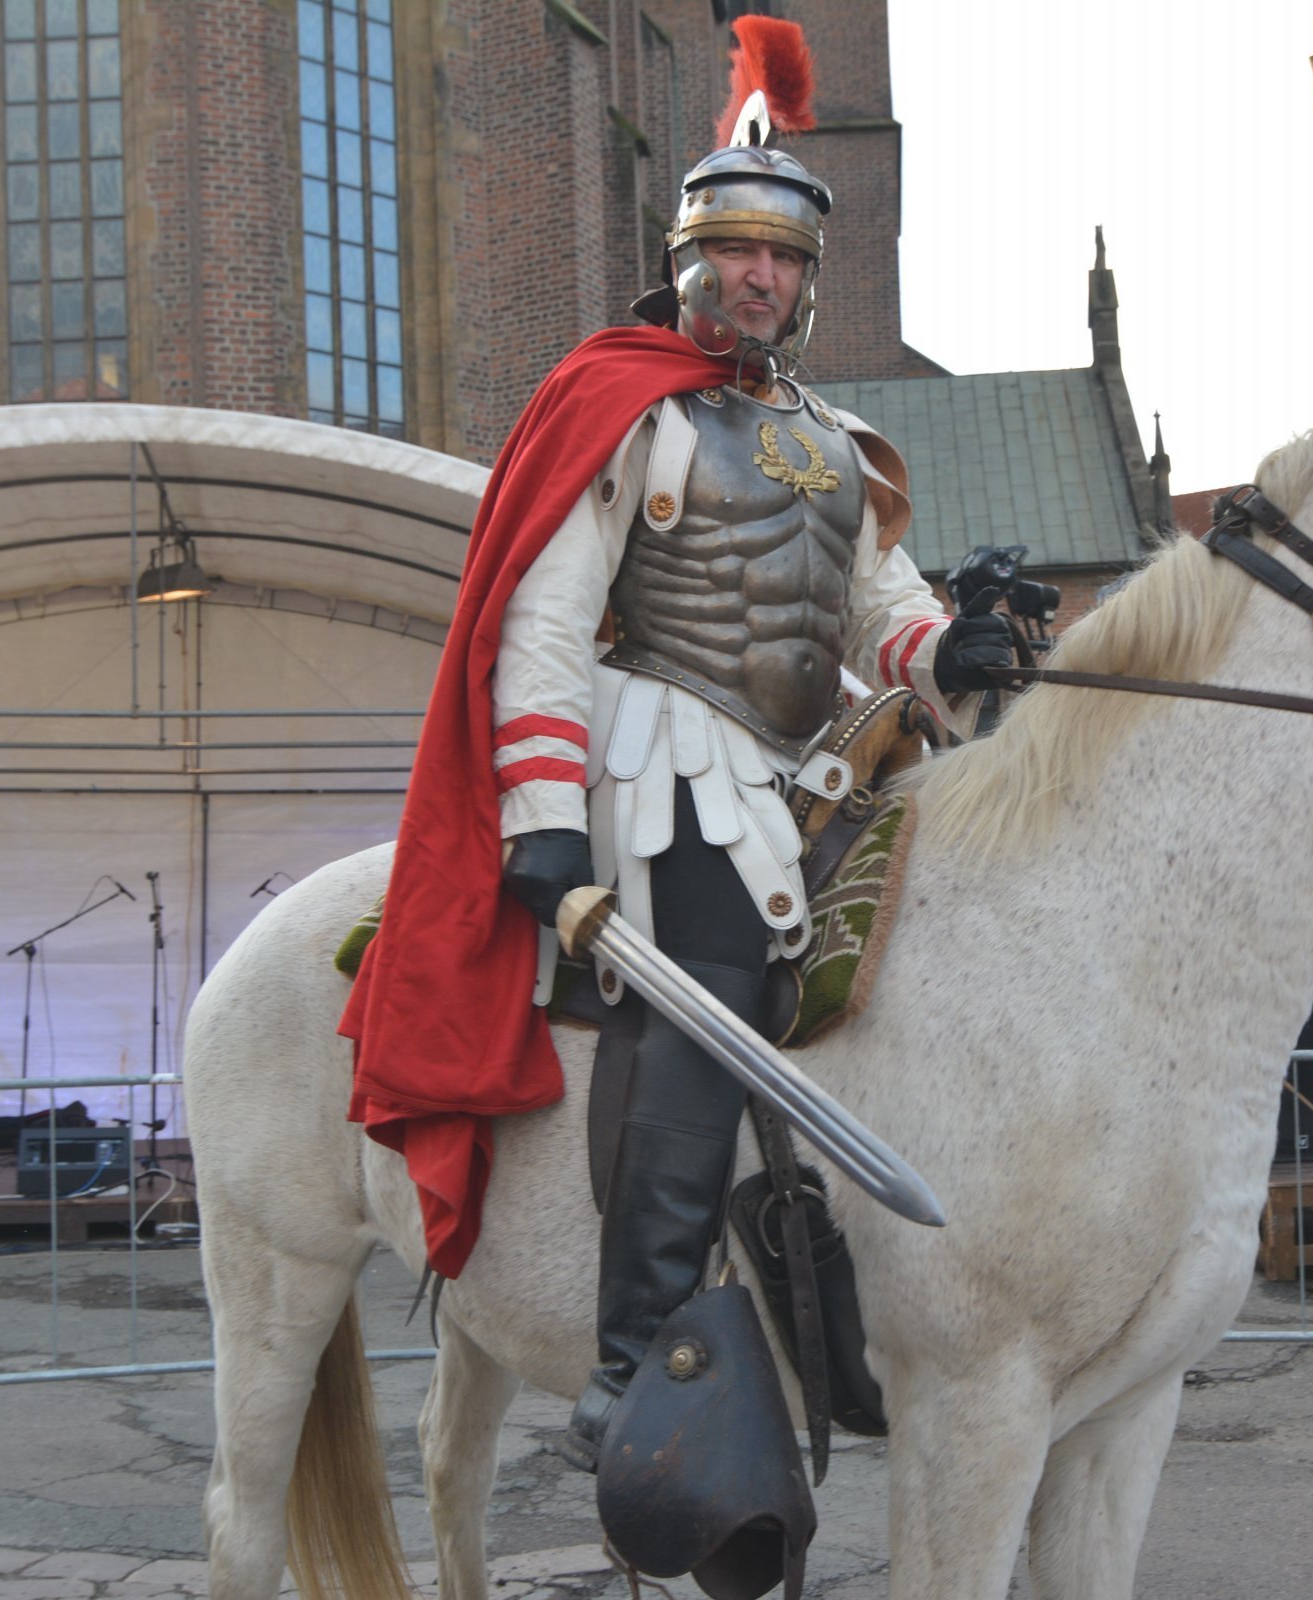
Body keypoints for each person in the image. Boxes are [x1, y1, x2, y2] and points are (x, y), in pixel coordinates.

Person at [343, 46, 1018, 1475]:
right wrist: (544, 821)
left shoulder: (833, 442)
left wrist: (949, 654)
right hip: (660, 758)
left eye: (780, 252)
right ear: (688, 261)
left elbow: (873, 612)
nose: (758, 274)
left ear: (808, 274)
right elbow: (537, 613)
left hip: (805, 761)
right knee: (707, 982)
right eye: (733, 248)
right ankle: (633, 1349)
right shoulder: (626, 404)